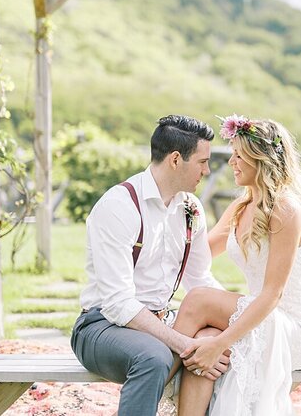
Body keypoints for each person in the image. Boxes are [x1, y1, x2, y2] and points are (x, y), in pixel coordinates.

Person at [70, 115, 229, 416]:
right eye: (202, 162)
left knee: (214, 350)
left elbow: (199, 280)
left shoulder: (191, 209)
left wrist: (236, 323)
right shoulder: (119, 206)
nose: (207, 171)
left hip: (162, 321)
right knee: (153, 356)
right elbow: (117, 304)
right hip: (100, 326)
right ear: (175, 159)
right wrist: (184, 343)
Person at [172, 115, 301, 416]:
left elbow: (273, 295)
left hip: (294, 329)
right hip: (261, 317)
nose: (231, 162)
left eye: (239, 155)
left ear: (262, 160)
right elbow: (199, 252)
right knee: (201, 343)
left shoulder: (285, 209)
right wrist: (175, 225)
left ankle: (153, 380)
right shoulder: (242, 205)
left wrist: (222, 343)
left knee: (199, 301)